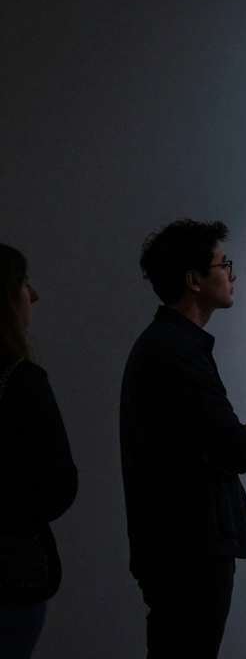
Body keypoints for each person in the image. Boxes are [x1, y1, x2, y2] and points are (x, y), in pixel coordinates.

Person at [119, 220, 246, 659]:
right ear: (194, 280)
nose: (232, 274)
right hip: (190, 551)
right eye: (223, 264)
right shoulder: (177, 351)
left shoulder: (168, 345)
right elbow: (236, 448)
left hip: (177, 547)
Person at [0, 245, 77, 659]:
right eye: (24, 283)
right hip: (12, 576)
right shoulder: (21, 380)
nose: (33, 295)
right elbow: (59, 487)